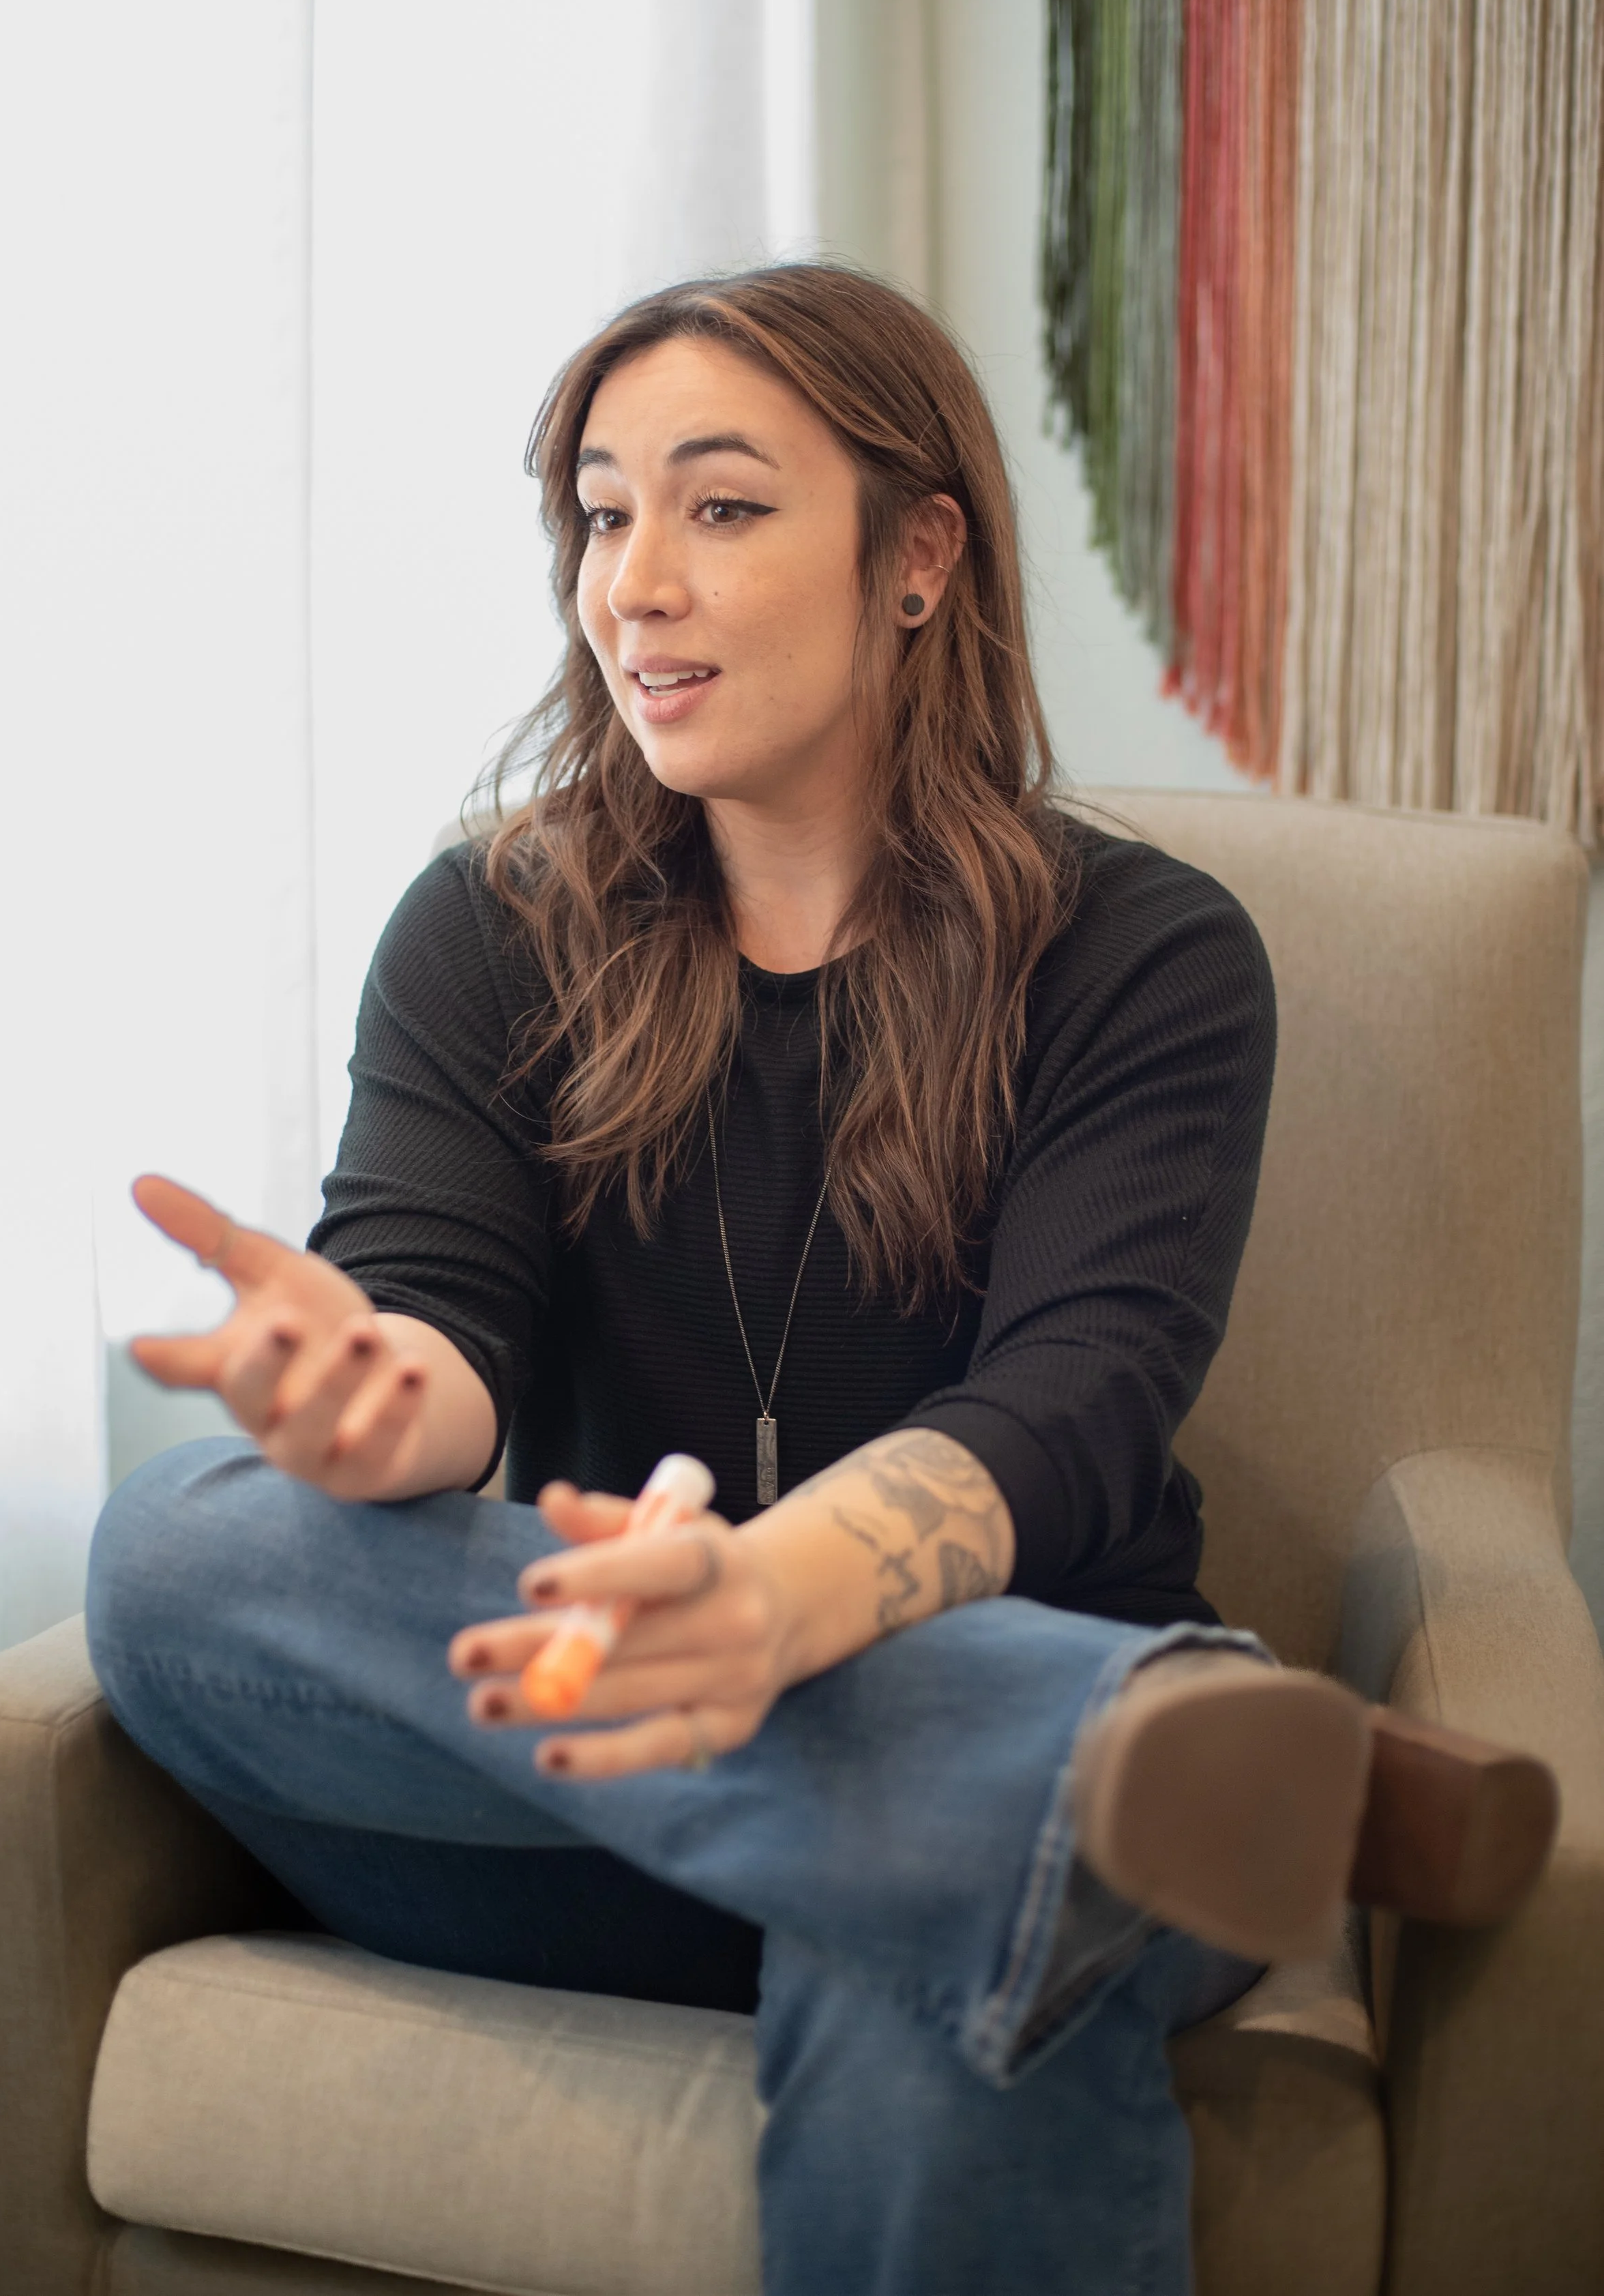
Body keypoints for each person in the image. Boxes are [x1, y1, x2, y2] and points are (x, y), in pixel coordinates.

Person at [87, 263, 1554, 2296]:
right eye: (602, 514)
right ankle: (1097, 1748)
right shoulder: (489, 930)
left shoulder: (1139, 957)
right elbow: (436, 1323)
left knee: (965, 1914)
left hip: (960, 1811)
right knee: (177, 1547)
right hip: (596, 1819)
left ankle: (1037, 1782)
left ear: (918, 554)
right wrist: (370, 1398)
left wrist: (772, 1599)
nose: (636, 584)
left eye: (722, 505)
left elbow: (1079, 1396)